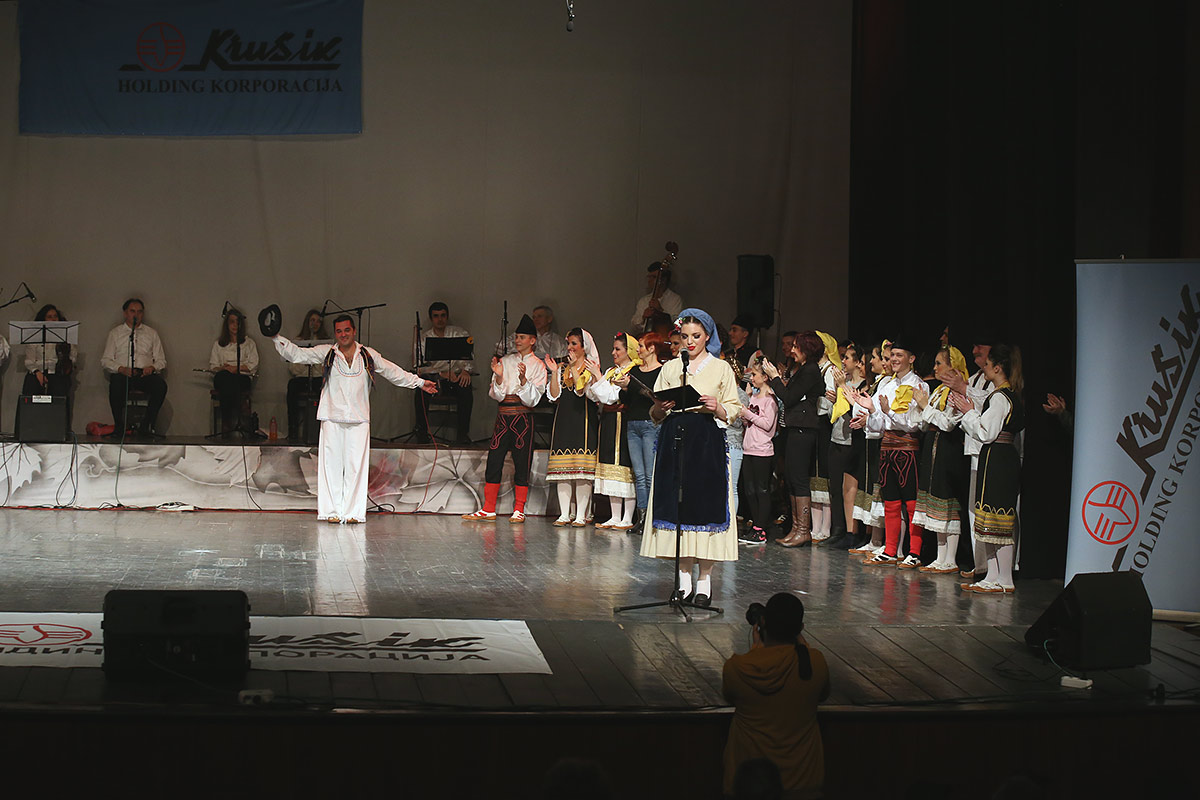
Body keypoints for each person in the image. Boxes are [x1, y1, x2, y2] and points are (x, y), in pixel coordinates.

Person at [273, 314, 436, 524]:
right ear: (335, 333)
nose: (343, 335)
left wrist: (419, 382)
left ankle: (353, 513)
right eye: (339, 331)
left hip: (358, 418)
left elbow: (392, 371)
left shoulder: (367, 355)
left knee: (356, 468)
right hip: (331, 417)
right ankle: (331, 512)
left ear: (354, 331)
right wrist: (275, 336)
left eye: (346, 330)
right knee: (331, 467)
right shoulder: (328, 353)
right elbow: (297, 354)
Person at [639, 309, 742, 606]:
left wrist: (717, 407)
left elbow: (733, 409)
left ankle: (704, 581)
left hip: (706, 441)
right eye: (685, 337)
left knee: (705, 506)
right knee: (678, 507)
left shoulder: (721, 368)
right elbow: (656, 411)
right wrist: (660, 407)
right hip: (675, 439)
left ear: (707, 336)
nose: (690, 342)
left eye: (696, 336)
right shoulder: (672, 367)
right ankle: (683, 579)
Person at [723, 592, 830, 800]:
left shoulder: (738, 668)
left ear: (763, 623)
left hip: (748, 785)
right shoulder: (815, 663)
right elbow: (823, 694)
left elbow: (730, 697)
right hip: (803, 783)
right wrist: (801, 645)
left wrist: (757, 652)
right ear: (800, 628)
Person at [953, 343, 1024, 593]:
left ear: (998, 367)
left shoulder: (1001, 397)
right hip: (996, 457)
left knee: (998, 519)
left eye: (988, 364)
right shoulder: (1004, 395)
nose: (984, 368)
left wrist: (969, 412)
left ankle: (1005, 578)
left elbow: (987, 432)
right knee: (989, 519)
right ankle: (993, 576)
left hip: (999, 458)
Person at [463, 314, 547, 522]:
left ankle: (519, 509)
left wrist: (523, 381)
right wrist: (499, 377)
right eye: (516, 337)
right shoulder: (506, 360)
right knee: (494, 460)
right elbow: (496, 395)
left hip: (523, 418)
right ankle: (488, 508)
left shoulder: (539, 365)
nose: (517, 340)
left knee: (522, 462)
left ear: (532, 340)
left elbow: (533, 400)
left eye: (522, 337)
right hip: (503, 417)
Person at [852, 341, 929, 567]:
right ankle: (891, 549)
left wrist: (886, 413)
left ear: (911, 359)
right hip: (887, 447)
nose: (894, 359)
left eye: (899, 355)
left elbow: (913, 423)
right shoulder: (887, 385)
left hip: (907, 448)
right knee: (891, 501)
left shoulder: (918, 385)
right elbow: (878, 424)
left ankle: (914, 552)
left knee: (911, 503)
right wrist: (870, 410)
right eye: (892, 355)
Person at [543, 328, 619, 526]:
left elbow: (581, 391)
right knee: (563, 470)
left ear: (584, 347)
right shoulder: (562, 368)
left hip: (584, 419)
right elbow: (554, 395)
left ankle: (581, 515)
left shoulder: (590, 367)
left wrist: (574, 369)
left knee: (581, 471)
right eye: (568, 343)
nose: (569, 347)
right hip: (564, 419)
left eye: (574, 344)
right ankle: (564, 514)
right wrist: (554, 372)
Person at [760, 332, 825, 547]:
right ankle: (796, 528)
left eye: (796, 346)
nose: (792, 350)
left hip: (804, 430)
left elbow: (788, 397)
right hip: (795, 429)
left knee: (798, 479)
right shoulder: (802, 369)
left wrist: (775, 378)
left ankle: (803, 530)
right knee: (790, 477)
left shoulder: (811, 370)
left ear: (807, 349)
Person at [912, 345, 970, 574]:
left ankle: (951, 559)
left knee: (947, 500)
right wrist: (920, 408)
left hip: (949, 448)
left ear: (952, 366)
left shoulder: (957, 391)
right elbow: (925, 422)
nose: (934, 368)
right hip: (932, 445)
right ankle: (940, 557)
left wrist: (925, 406)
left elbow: (948, 423)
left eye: (939, 363)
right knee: (934, 500)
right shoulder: (939, 391)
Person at [624, 332, 670, 530]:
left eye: (641, 346)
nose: (638, 349)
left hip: (651, 423)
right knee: (639, 475)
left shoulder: (662, 371)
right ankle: (641, 517)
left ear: (652, 348)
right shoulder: (634, 371)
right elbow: (627, 400)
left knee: (650, 474)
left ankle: (653, 517)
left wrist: (635, 388)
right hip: (633, 423)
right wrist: (625, 388)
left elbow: (658, 397)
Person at [100, 297, 167, 435]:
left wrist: (152, 368)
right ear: (125, 313)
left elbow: (161, 361)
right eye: (132, 311)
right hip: (123, 374)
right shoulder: (115, 333)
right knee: (116, 383)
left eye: (139, 312)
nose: (136, 315)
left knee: (160, 386)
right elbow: (106, 360)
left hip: (143, 374)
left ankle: (146, 425)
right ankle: (119, 426)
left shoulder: (151, 333)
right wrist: (121, 369)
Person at [595, 333, 642, 531]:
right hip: (609, 420)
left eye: (618, 349)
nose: (613, 352)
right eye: (613, 349)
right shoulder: (611, 371)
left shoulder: (632, 371)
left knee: (624, 465)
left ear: (628, 351)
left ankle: (628, 517)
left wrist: (598, 378)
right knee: (610, 466)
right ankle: (615, 516)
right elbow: (598, 395)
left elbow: (610, 396)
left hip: (623, 419)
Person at [415, 301, 474, 444]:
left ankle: (462, 435)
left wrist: (466, 371)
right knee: (420, 390)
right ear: (431, 318)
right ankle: (422, 433)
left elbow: (469, 357)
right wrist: (441, 374)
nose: (440, 319)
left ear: (447, 317)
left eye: (443, 315)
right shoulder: (424, 339)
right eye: (436, 316)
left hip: (456, 377)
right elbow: (418, 367)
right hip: (435, 379)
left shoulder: (459, 333)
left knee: (466, 389)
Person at [737, 357, 779, 545]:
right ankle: (755, 526)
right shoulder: (753, 397)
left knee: (761, 490)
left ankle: (761, 529)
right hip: (749, 448)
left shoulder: (770, 400)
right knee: (750, 490)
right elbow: (750, 422)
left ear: (765, 377)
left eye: (754, 375)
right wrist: (744, 416)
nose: (752, 378)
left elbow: (767, 424)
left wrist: (748, 414)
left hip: (762, 450)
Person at [808, 332, 840, 543]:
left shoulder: (830, 371)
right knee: (814, 475)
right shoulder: (816, 369)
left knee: (823, 474)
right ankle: (816, 526)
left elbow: (830, 401)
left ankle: (826, 527)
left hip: (824, 425)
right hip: (815, 424)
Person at [208, 308, 258, 435]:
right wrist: (224, 368)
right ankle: (242, 405)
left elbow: (253, 365)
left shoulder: (249, 343)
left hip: (241, 377)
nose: (235, 325)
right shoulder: (218, 344)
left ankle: (226, 422)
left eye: (237, 322)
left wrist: (235, 368)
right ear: (227, 324)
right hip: (223, 376)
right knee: (225, 377)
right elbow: (213, 366)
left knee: (231, 382)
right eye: (232, 322)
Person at [286, 308, 329, 441]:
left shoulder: (326, 343)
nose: (315, 324)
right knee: (292, 386)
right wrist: (306, 364)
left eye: (318, 321)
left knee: (326, 389)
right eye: (312, 320)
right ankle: (293, 430)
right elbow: (293, 367)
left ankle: (323, 432)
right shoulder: (298, 342)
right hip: (302, 378)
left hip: (318, 378)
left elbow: (326, 367)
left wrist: (314, 364)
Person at [22, 304, 76, 399]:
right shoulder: (35, 336)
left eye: (55, 316)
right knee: (32, 398)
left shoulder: (65, 336)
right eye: (49, 317)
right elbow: (29, 360)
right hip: (37, 374)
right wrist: (37, 372)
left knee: (58, 400)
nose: (53, 319)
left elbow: (72, 356)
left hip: (58, 374)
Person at [630, 261, 683, 332]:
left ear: (663, 280)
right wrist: (643, 318)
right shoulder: (644, 300)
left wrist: (660, 310)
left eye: (654, 277)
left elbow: (678, 324)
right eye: (649, 277)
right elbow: (633, 326)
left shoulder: (675, 299)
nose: (650, 280)